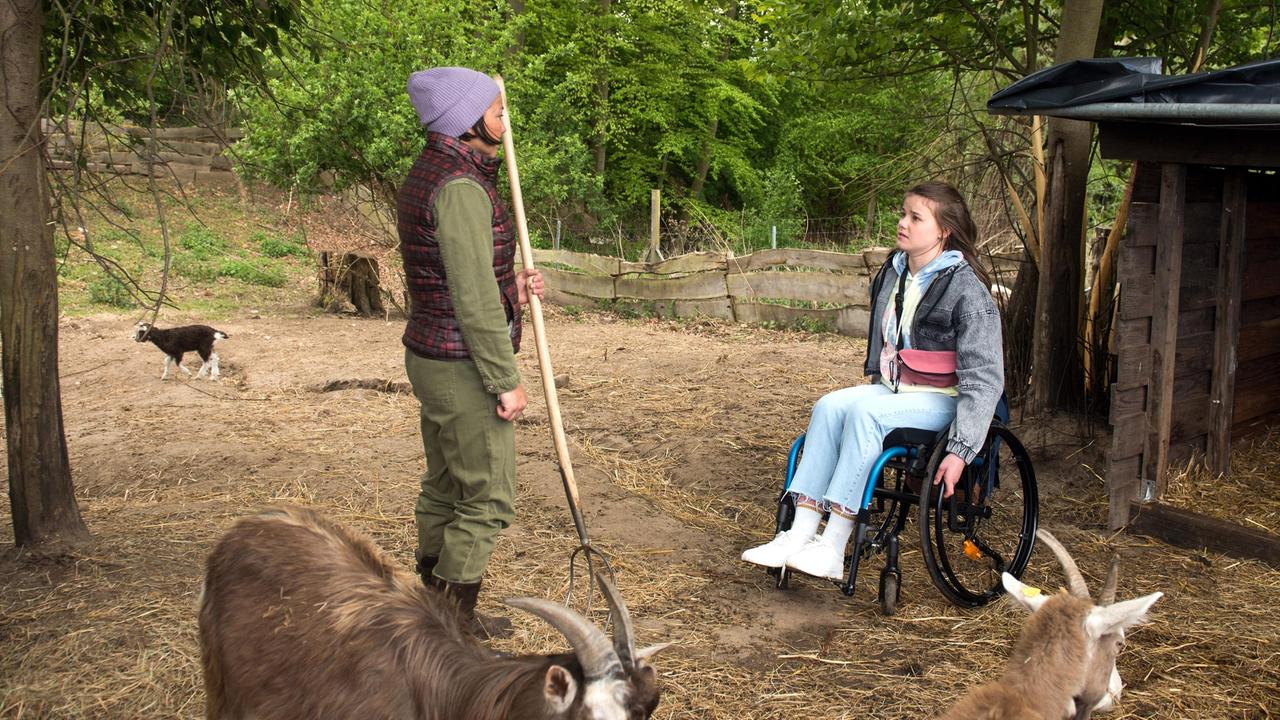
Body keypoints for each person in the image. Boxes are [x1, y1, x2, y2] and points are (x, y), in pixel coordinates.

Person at [741, 181, 1003, 580]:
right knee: (829, 405)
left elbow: (985, 379)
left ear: (944, 230)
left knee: (866, 413)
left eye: (916, 217)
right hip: (896, 390)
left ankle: (833, 547)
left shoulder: (966, 289)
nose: (903, 223)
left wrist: (962, 449)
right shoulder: (895, 273)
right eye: (904, 213)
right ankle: (799, 534)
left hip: (944, 399)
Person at [398, 66, 544, 638]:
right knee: (486, 498)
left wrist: (511, 281)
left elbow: (464, 271)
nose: (505, 121)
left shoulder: (435, 170)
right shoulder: (460, 187)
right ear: (468, 119)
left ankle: (429, 611)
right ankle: (448, 631)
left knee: (445, 485)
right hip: (461, 365)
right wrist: (504, 378)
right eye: (499, 111)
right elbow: (471, 296)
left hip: (433, 355)